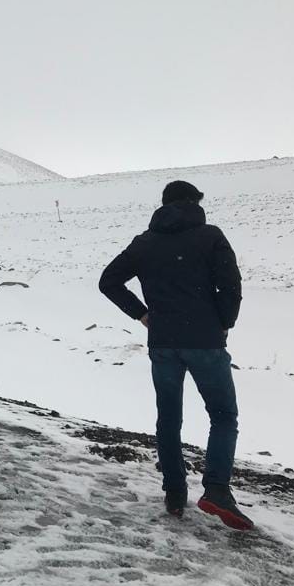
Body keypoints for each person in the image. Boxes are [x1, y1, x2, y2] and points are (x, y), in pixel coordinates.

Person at [99, 180, 250, 530]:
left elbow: (108, 281)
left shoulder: (145, 242)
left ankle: (174, 493)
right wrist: (224, 322)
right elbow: (231, 285)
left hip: (163, 342)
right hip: (205, 340)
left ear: (164, 204)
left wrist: (142, 314)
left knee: (169, 417)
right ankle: (215, 489)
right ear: (194, 202)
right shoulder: (210, 236)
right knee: (224, 416)